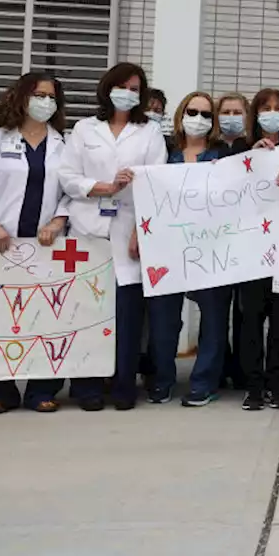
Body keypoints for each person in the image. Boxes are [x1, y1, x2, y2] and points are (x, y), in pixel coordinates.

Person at [0, 72, 71, 414]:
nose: (45, 102)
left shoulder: (61, 144)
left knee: (44, 317)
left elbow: (71, 190)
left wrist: (57, 220)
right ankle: (0, 390)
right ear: (22, 96)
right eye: (39, 94)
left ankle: (41, 390)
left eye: (52, 97)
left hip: (44, 247)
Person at [59, 63, 168, 411]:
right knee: (88, 310)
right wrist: (102, 187)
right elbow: (67, 176)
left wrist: (141, 230)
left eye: (136, 89)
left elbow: (156, 182)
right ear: (107, 88)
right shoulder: (83, 129)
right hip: (87, 229)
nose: (128, 93)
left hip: (129, 231)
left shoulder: (149, 132)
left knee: (127, 315)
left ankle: (124, 385)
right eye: (123, 86)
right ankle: (88, 386)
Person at [141, 92, 233, 406]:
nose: (199, 119)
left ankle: (204, 382)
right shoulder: (163, 151)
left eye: (207, 115)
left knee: (214, 319)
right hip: (166, 248)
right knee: (164, 320)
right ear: (180, 115)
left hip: (212, 248)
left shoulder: (224, 154)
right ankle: (162, 379)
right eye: (193, 112)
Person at [229, 89, 279, 410]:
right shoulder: (239, 147)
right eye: (266, 108)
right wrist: (252, 156)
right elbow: (227, 190)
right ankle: (253, 385)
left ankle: (276, 384)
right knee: (250, 320)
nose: (272, 114)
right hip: (250, 246)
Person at [214, 93, 250, 390]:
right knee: (216, 309)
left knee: (244, 310)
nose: (231, 116)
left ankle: (242, 368)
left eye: (237, 112)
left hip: (248, 238)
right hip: (212, 239)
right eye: (226, 111)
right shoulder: (208, 148)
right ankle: (220, 364)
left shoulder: (253, 149)